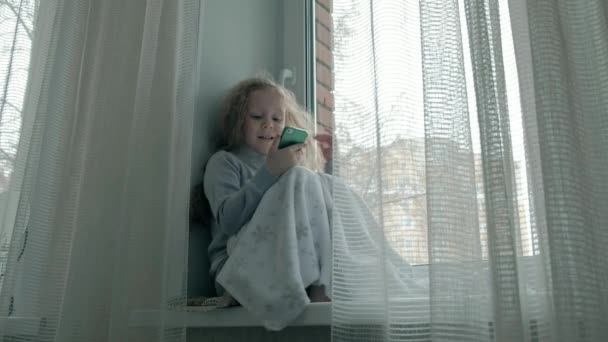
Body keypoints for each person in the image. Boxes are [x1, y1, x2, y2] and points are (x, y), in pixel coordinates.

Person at [203, 76, 330, 303]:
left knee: (324, 183)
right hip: (233, 269)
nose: (268, 125)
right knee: (301, 177)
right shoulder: (225, 161)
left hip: (281, 260)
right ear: (238, 119)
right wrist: (270, 171)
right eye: (256, 117)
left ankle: (323, 283)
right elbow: (228, 222)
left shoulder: (288, 170)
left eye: (277, 118)